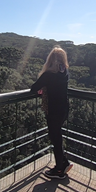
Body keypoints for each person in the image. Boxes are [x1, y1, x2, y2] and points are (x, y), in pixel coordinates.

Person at [30, 46, 73, 179]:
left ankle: (59, 170)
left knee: (56, 138)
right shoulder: (64, 71)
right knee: (57, 137)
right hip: (64, 110)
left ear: (50, 59)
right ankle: (63, 163)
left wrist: (43, 88)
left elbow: (33, 88)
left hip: (53, 111)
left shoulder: (48, 74)